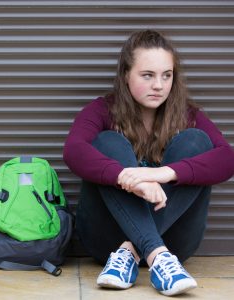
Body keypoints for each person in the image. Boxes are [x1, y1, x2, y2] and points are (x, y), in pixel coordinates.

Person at [63, 29, 234, 297]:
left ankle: (136, 250)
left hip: (173, 243)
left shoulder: (187, 114)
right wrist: (125, 177)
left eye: (167, 75)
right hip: (107, 243)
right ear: (125, 76)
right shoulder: (102, 111)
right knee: (108, 143)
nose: (159, 85)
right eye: (148, 75)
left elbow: (227, 158)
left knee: (197, 143)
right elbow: (74, 151)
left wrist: (165, 174)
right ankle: (153, 253)